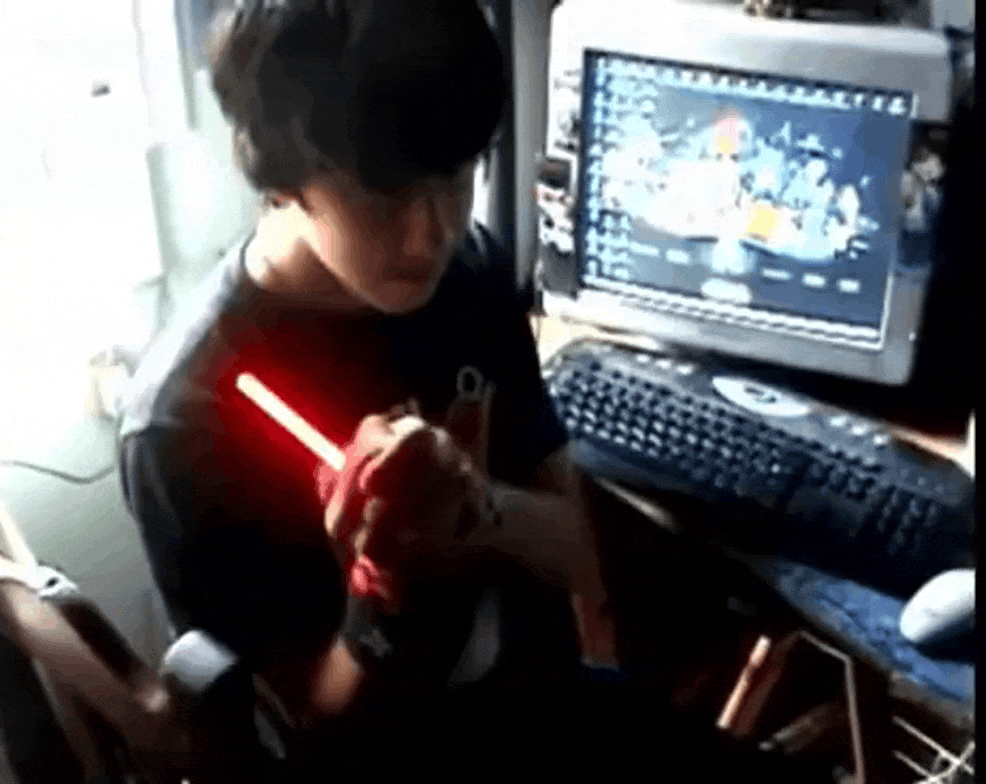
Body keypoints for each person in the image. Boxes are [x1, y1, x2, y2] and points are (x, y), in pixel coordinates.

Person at [118, 2, 834, 781]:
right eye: (385, 195)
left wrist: (477, 508)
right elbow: (310, 724)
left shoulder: (467, 278)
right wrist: (384, 588)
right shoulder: (185, 422)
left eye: (458, 176)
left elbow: (571, 545)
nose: (433, 232)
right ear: (281, 175)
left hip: (546, 717)